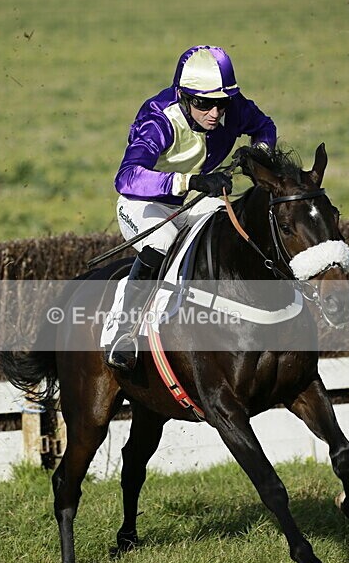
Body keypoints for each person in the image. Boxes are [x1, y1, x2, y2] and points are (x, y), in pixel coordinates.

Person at [105, 44, 277, 371]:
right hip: (144, 202)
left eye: (221, 104)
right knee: (162, 244)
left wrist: (259, 157)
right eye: (204, 104)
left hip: (194, 198)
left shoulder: (233, 108)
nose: (215, 113)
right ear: (184, 96)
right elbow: (126, 177)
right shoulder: (159, 118)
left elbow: (265, 128)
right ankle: (123, 332)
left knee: (231, 232)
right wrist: (188, 182)